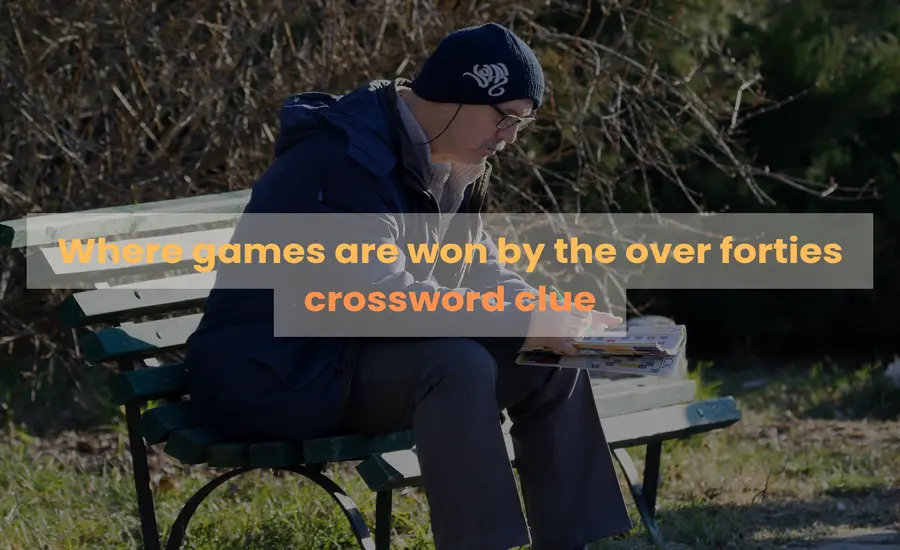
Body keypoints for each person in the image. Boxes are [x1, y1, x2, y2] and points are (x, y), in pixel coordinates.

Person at [184, 22, 633, 550]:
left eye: (522, 124)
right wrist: (521, 322)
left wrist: (550, 318)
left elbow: (478, 269)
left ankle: (575, 543)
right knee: (457, 364)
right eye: (506, 117)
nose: (511, 136)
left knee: (551, 359)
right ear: (458, 97)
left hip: (346, 361)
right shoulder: (341, 162)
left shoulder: (451, 163)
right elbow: (377, 298)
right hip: (276, 375)